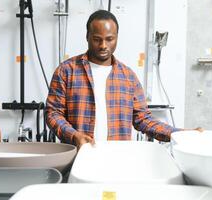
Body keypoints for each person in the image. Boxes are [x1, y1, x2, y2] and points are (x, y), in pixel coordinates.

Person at [46, 10, 201, 149]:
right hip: (79, 158)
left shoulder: (128, 77)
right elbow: (53, 113)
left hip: (118, 159)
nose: (103, 45)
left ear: (117, 38)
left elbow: (144, 120)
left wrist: (180, 134)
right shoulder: (66, 71)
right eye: (97, 39)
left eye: (109, 39)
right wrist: (74, 136)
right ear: (87, 36)